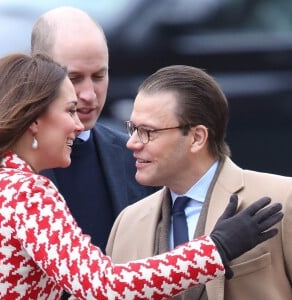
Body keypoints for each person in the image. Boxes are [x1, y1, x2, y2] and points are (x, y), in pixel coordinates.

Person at [0, 54, 283, 299]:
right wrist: (216, 249)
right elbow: (102, 285)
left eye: (148, 131)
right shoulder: (24, 192)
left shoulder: (3, 185)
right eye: (70, 110)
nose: (78, 125)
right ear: (34, 121)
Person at [106, 65, 292, 300]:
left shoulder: (282, 198)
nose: (131, 143)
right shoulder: (127, 224)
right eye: (132, 128)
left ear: (197, 138)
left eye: (147, 131)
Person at [30, 6, 159, 254]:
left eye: (99, 76)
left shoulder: (136, 157)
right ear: (38, 72)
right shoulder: (6, 162)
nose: (89, 95)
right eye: (74, 78)